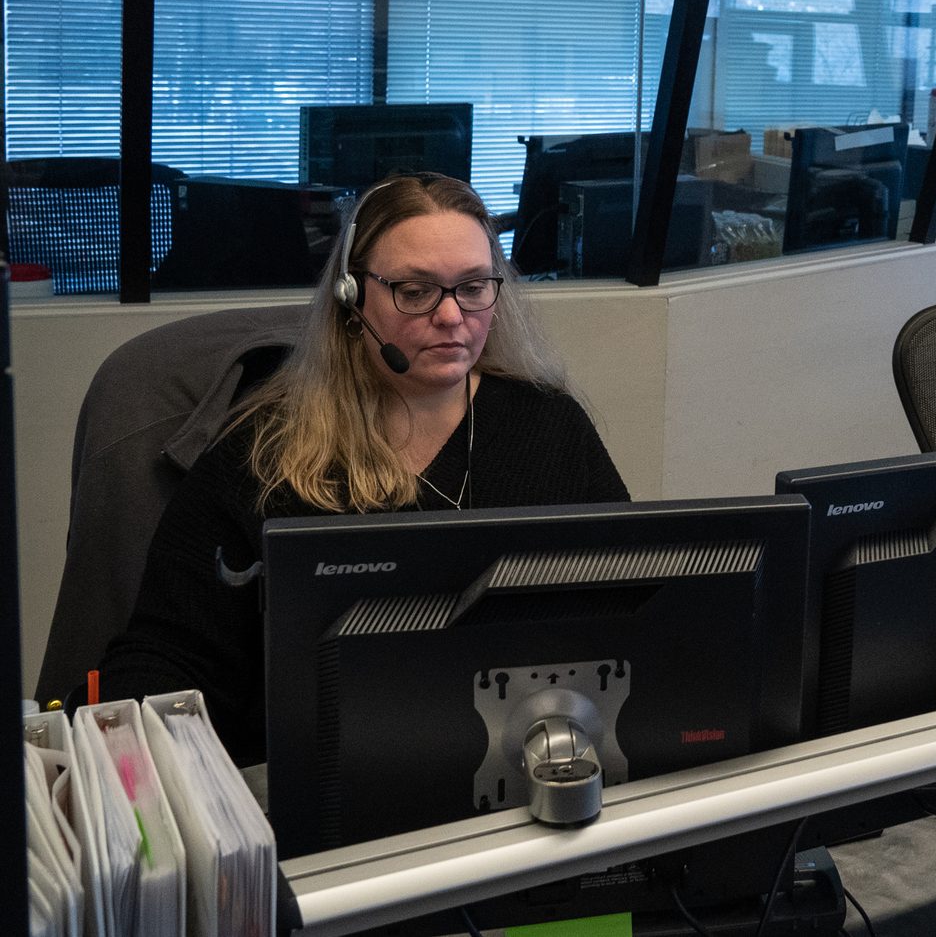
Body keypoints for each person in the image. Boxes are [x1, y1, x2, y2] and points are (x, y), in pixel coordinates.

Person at [93, 172, 629, 763]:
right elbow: (168, 656)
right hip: (321, 779)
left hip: (516, 765)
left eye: (474, 287)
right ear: (353, 301)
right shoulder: (265, 454)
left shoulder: (549, 427)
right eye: (416, 291)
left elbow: (633, 604)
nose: (452, 317)